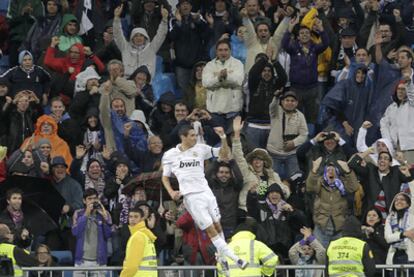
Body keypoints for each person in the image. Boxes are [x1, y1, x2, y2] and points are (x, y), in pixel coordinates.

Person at [162, 125, 249, 271]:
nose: (195, 138)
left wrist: (222, 138)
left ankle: (222, 258)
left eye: (196, 135)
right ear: (183, 137)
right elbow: (165, 178)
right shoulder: (170, 155)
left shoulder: (201, 149)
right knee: (210, 230)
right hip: (191, 197)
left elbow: (225, 155)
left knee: (217, 224)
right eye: (192, 136)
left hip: (206, 192)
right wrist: (171, 192)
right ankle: (236, 259)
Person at [72, 188, 112, 276]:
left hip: (99, 262)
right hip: (81, 262)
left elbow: (108, 235)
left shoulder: (105, 214)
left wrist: (106, 220)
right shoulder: (78, 213)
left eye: (95, 198)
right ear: (84, 201)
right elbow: (76, 232)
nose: (92, 201)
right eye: (89, 199)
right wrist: (86, 214)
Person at [120, 209, 157, 277]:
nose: (132, 219)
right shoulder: (147, 235)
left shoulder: (137, 237)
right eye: (130, 217)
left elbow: (132, 266)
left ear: (142, 218)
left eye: (136, 217)